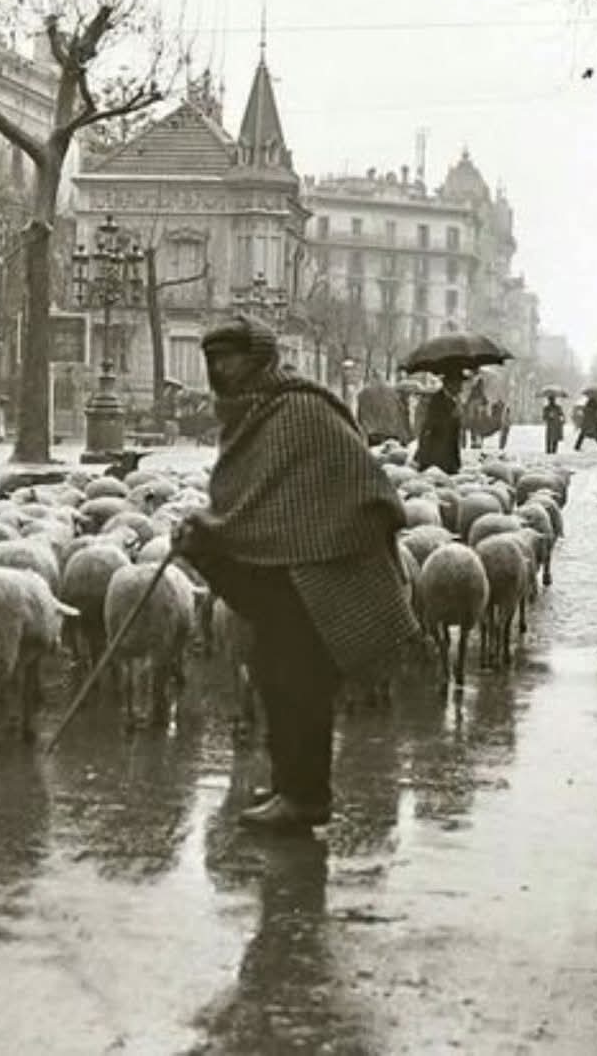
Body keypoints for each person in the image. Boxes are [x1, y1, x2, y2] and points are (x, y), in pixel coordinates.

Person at [170, 316, 424, 834]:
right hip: (282, 566)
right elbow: (256, 496)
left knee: (301, 685)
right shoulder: (249, 414)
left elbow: (358, 481)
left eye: (231, 358)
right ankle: (292, 783)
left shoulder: (301, 409)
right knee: (274, 678)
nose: (221, 369)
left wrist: (322, 532)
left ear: (259, 357)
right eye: (213, 360)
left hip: (323, 569)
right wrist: (214, 532)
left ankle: (306, 797)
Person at [412, 368, 466, 474]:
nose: (461, 388)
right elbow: (432, 426)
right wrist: (453, 416)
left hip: (448, 458)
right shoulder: (437, 400)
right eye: (458, 384)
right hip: (436, 458)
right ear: (449, 384)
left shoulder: (452, 401)